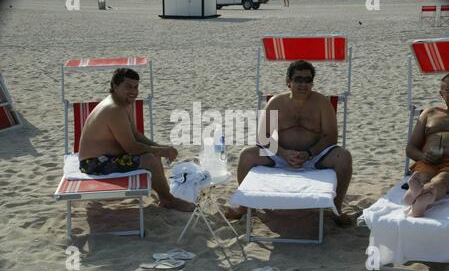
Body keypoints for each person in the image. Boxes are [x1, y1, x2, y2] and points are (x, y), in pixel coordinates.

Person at [225, 60, 353, 227]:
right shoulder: (276, 103)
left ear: (312, 83)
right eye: (298, 79)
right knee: (246, 156)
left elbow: (331, 137)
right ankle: (244, 207)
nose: (303, 84)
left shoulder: (322, 103)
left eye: (308, 80)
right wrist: (283, 153)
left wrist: (309, 153)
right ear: (288, 82)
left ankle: (336, 209)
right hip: (281, 155)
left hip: (314, 156)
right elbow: (263, 137)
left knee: (343, 157)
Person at [78, 68, 194, 212]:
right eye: (128, 86)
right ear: (115, 86)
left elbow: (136, 134)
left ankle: (164, 196)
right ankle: (168, 200)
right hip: (94, 164)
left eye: (136, 87)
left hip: (108, 157)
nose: (133, 91)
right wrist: (161, 150)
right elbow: (131, 148)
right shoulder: (115, 109)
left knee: (154, 153)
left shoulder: (124, 103)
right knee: (149, 159)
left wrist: (160, 148)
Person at [404, 74, 449, 217]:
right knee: (422, 176)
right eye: (448, 89)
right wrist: (423, 156)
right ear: (441, 93)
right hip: (427, 160)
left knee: (442, 180)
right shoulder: (429, 113)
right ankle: (417, 191)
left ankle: (424, 195)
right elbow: (410, 148)